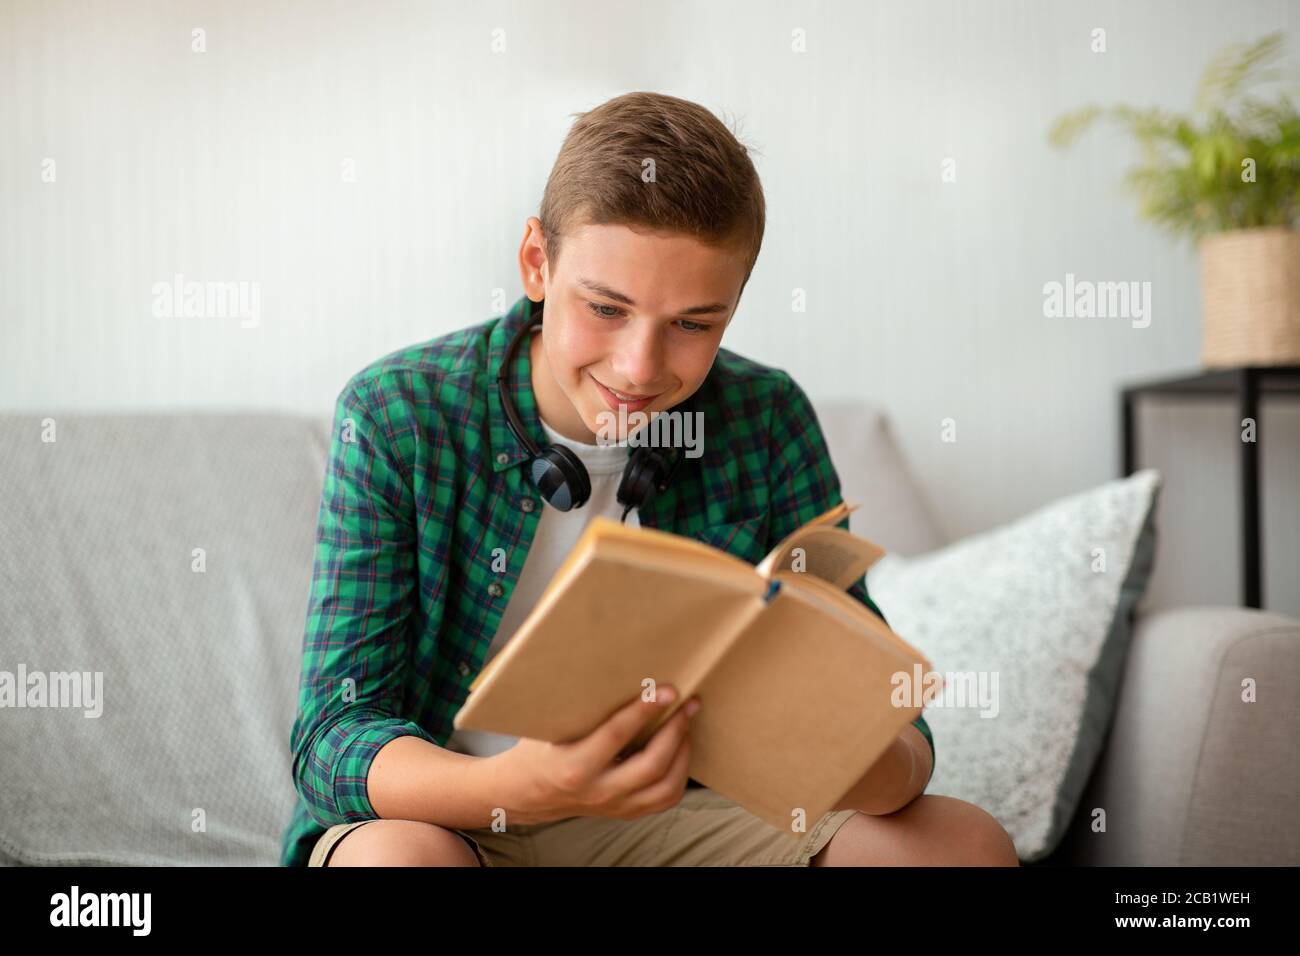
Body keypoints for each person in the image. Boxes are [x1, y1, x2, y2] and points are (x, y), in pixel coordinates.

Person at [280, 91, 1018, 867]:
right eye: (606, 308)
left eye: (694, 324)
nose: (639, 368)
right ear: (537, 262)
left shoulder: (766, 416)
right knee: (397, 862)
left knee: (963, 844)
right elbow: (333, 735)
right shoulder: (398, 413)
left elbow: (905, 735)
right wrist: (519, 786)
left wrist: (845, 751)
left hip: (679, 823)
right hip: (458, 817)